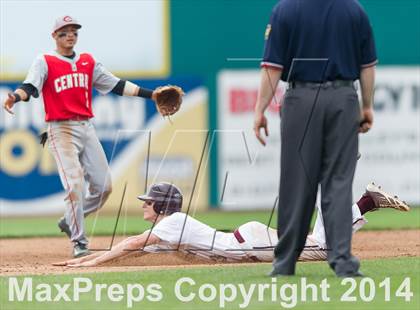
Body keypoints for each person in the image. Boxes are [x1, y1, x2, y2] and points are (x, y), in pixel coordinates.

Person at [2, 16, 180, 258]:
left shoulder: (87, 61)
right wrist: (16, 97)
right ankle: (79, 243)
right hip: (60, 129)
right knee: (74, 185)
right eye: (65, 32)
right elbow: (30, 87)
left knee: (104, 187)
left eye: (74, 31)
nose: (71, 35)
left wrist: (151, 95)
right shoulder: (44, 61)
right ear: (54, 36)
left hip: (86, 127)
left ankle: (70, 219)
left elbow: (116, 84)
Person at [253, 1, 377, 276]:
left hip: (301, 98)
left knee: (296, 182)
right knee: (339, 182)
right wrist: (366, 105)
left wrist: (260, 109)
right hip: (343, 98)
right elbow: (367, 66)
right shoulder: (354, 10)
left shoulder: (285, 9)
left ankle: (285, 262)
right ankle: (343, 262)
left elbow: (272, 67)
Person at [53, 182, 409, 267]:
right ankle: (358, 200)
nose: (144, 206)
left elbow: (131, 244)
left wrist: (90, 262)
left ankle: (363, 201)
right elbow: (129, 250)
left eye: (148, 202)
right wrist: (84, 260)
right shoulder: (169, 227)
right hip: (245, 239)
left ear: (161, 206)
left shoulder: (172, 222)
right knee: (317, 243)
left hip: (245, 245)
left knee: (324, 249)